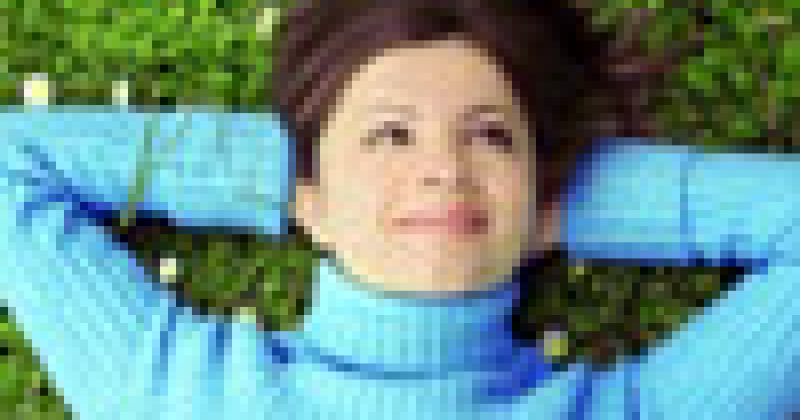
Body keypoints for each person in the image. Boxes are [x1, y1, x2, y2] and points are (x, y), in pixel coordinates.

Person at [1, 1, 798, 419]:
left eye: (490, 136)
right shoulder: (179, 399)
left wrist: (554, 197)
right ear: (310, 194)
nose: (444, 169)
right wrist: (299, 174)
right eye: (390, 135)